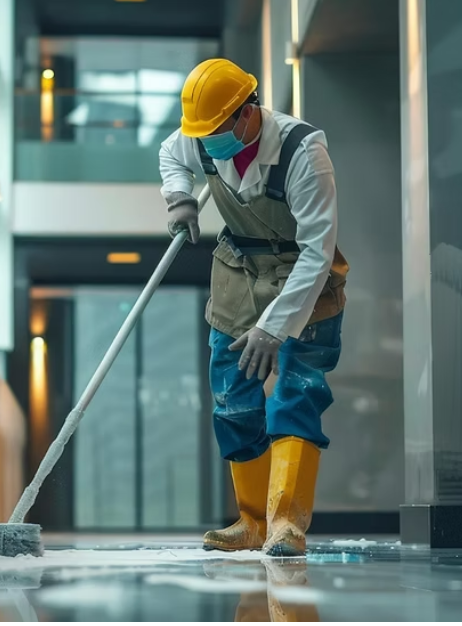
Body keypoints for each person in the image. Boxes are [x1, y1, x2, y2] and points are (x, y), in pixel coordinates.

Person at [159, 58, 348, 557]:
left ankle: (287, 523)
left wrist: (275, 328)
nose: (208, 142)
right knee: (232, 395)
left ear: (247, 113)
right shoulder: (201, 136)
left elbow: (318, 251)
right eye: (201, 134)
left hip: (301, 279)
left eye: (217, 130)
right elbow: (169, 153)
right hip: (239, 271)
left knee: (297, 392)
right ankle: (252, 521)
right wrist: (178, 198)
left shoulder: (303, 152)